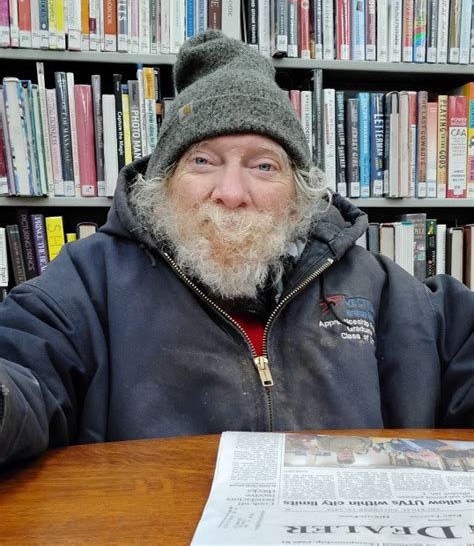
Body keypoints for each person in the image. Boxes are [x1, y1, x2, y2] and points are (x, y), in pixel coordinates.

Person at [0, 29, 473, 468]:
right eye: (203, 161)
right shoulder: (88, 285)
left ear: (299, 194)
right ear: (163, 183)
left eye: (263, 166)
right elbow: (22, 368)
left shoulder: (382, 290)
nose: (230, 192)